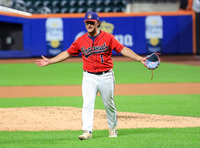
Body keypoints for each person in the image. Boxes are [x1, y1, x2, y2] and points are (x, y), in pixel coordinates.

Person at [36, 11, 146, 140]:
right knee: (87, 104)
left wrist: (139, 59)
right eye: (87, 23)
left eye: (92, 22)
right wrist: (50, 61)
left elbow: (123, 49)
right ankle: (87, 131)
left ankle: (112, 129)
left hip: (106, 76)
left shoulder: (108, 37)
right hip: (89, 76)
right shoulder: (80, 40)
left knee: (109, 104)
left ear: (98, 23)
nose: (89, 25)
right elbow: (67, 53)